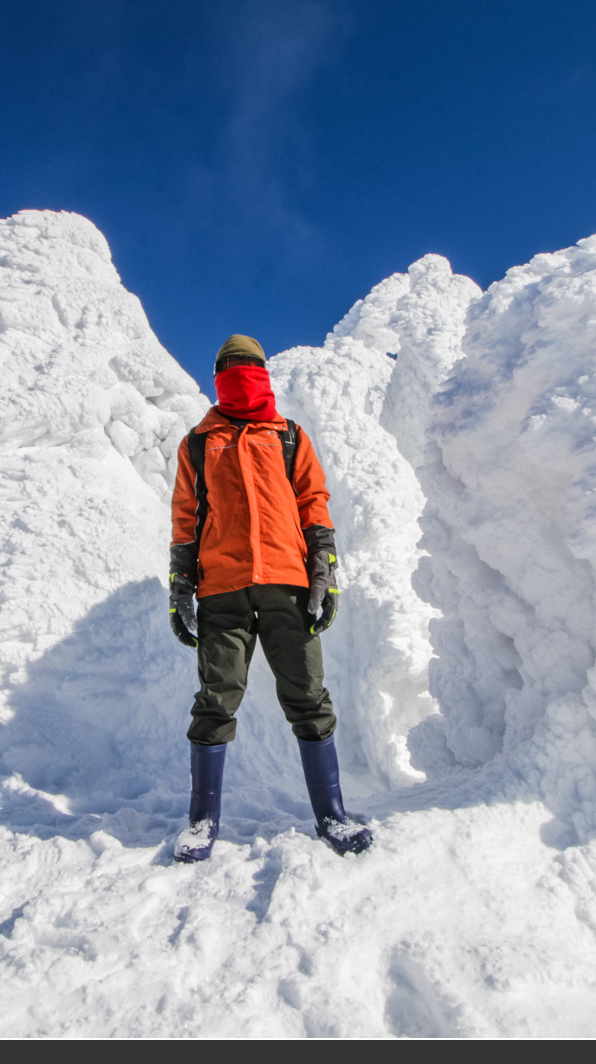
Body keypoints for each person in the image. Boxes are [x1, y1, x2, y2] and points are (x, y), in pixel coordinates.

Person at [166, 334, 373, 862]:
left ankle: (332, 815)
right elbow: (186, 517)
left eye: (247, 368)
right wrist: (181, 583)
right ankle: (201, 821)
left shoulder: (289, 437)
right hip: (222, 588)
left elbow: (313, 501)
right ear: (218, 377)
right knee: (216, 700)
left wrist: (324, 566)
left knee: (308, 695)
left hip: (288, 583)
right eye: (230, 369)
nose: (239, 376)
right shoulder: (198, 443)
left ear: (262, 373)